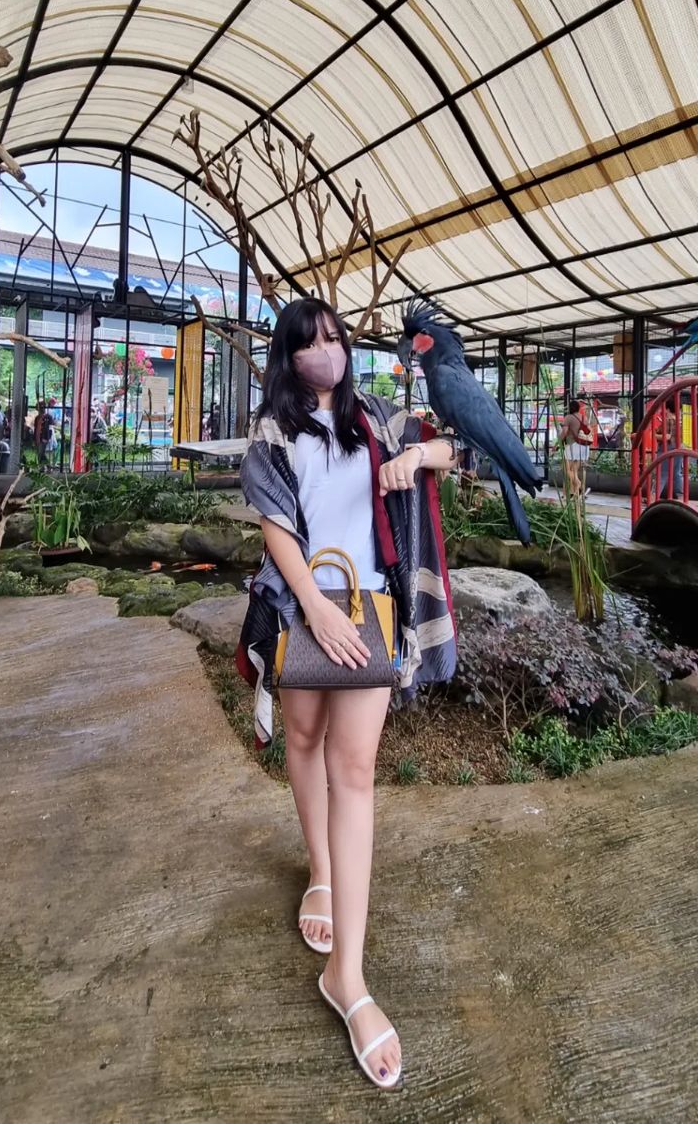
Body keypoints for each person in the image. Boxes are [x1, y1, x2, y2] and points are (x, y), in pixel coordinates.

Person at [236, 297, 458, 1090]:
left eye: (334, 339)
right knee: (302, 740)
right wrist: (317, 608)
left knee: (354, 769)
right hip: (303, 607)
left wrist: (417, 461)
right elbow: (275, 528)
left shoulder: (380, 416)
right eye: (309, 343)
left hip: (375, 612)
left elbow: (453, 450)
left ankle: (349, 978)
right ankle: (320, 870)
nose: (325, 352)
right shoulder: (274, 429)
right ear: (288, 355)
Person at [558, 398, 592, 495]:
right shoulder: (583, 417)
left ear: (570, 408)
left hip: (573, 445)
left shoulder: (568, 417)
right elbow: (588, 431)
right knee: (574, 470)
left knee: (566, 468)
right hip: (583, 445)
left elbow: (564, 432)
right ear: (578, 408)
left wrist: (558, 443)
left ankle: (578, 483)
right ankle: (574, 491)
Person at [34, 401, 54, 466]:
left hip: (44, 438)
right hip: (38, 438)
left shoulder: (48, 417)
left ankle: (46, 465)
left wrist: (47, 438)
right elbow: (35, 428)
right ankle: (44, 466)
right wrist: (34, 438)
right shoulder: (37, 418)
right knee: (39, 453)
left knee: (41, 453)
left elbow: (50, 429)